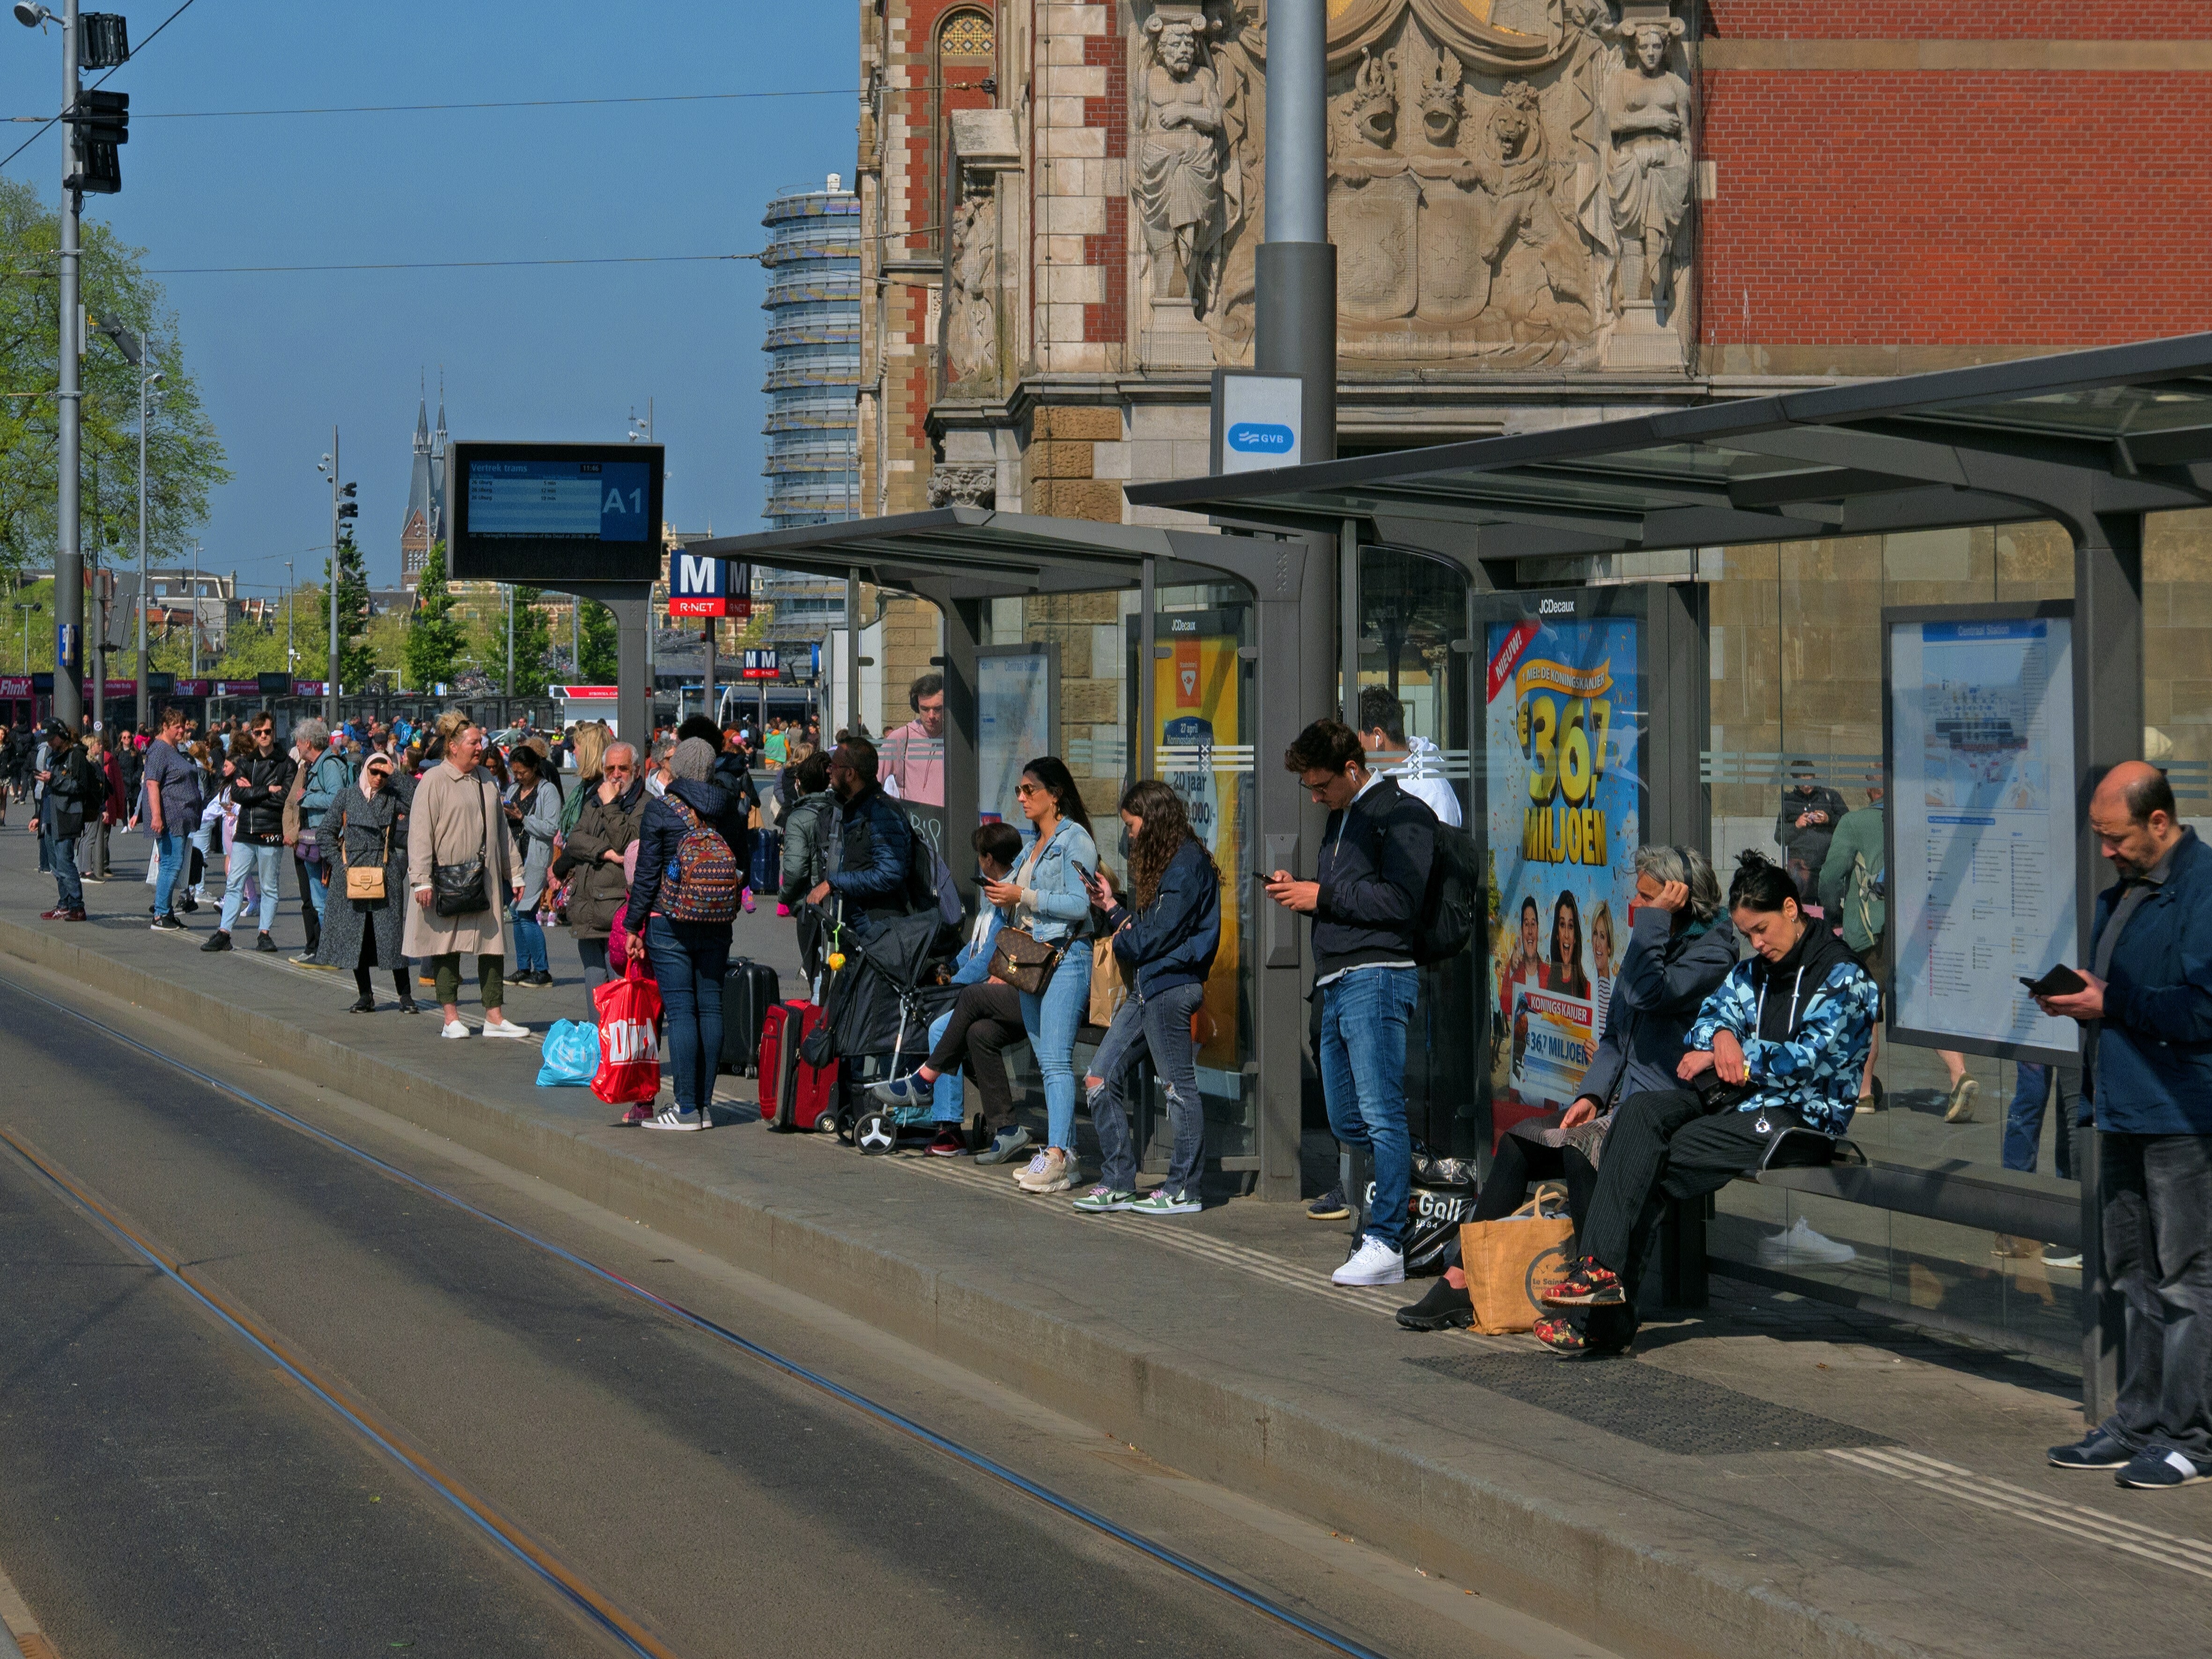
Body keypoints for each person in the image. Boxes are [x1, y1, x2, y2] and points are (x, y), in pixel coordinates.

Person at [1536, 852, 1879, 1357]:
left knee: (1643, 1160)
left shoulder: (1845, 979)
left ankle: (1602, 1319)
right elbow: (1707, 1022)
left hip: (1799, 1116)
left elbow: (1809, 1060)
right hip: (1735, 1099)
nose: (1757, 945)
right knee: (1639, 1114)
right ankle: (1600, 1275)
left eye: (1762, 930)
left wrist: (1739, 1055)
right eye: (1747, 935)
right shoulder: (1753, 971)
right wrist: (1720, 1033)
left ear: (1791, 909)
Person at [1397, 846, 1737, 1332]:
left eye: (1646, 896)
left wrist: (1653, 924)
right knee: (1518, 1145)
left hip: (1665, 1105)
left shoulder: (1713, 950)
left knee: (1581, 1152)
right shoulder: (1652, 939)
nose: (1636, 905)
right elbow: (1617, 1034)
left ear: (1677, 899)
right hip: (1616, 1102)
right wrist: (1590, 1094)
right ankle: (1458, 1280)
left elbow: (1648, 994)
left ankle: (1594, 1303)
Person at [2038, 763, 2212, 1489]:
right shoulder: (2129, 892)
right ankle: (2140, 1420)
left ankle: (2191, 1436)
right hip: (2119, 1106)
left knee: (2187, 1278)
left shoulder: (2202, 892)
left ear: (2160, 823)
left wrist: (2113, 1001)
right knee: (2133, 1274)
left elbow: (2203, 1009)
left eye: (2115, 836)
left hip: (2181, 1116)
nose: (2106, 850)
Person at [1263, 718, 1437, 1286]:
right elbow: (1350, 897)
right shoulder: (1341, 818)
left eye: (1321, 786)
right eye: (1307, 789)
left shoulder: (1402, 814)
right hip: (1337, 979)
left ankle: (1386, 1239)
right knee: (1344, 1116)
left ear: (1351, 769)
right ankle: (1413, 1181)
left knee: (1380, 1113)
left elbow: (1401, 901)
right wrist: (1307, 893)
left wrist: (1324, 893)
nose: (1315, 798)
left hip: (1379, 975)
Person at [1072, 779, 1223, 1215]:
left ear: (1152, 821)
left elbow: (1152, 938)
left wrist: (1122, 940)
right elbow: (1152, 932)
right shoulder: (1173, 863)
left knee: (1178, 1088)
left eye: (1132, 825)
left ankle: (1184, 1188)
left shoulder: (1183, 866)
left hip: (1169, 987)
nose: (1130, 834)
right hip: (1151, 986)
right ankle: (1119, 1181)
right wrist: (1113, 908)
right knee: (1099, 1079)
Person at [1816, 771, 1975, 1120]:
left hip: (1871, 933)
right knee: (1921, 1004)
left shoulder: (1855, 823)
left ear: (1871, 790)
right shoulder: (1919, 821)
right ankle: (1959, 1074)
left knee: (1867, 1010)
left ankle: (1864, 1092)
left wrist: (1832, 910)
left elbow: (1831, 876)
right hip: (1917, 928)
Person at [869, 821, 1025, 1156]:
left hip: (993, 992)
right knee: (966, 1034)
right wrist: (950, 966)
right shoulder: (993, 891)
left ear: (987, 858)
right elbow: (974, 948)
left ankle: (948, 1125)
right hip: (983, 992)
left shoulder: (1005, 894)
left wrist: (957, 981)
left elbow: (989, 954)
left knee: (941, 1028)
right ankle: (992, 1121)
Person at [980, 756, 1099, 1194]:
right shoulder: (1035, 841)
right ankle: (1061, 1154)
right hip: (1030, 960)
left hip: (1065, 957)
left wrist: (1023, 893)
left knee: (1055, 1061)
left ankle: (1059, 1156)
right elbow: (1018, 896)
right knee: (1046, 1061)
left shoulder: (1075, 840)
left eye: (1030, 790)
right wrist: (1002, 893)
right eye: (1019, 790)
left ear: (1056, 793)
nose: (1022, 798)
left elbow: (1079, 906)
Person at [622, 736, 741, 1131]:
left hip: (668, 920)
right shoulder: (728, 807)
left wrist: (633, 925)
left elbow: (646, 875)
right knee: (710, 1006)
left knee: (681, 1012)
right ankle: (704, 1107)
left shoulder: (660, 809)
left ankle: (685, 1108)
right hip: (717, 921)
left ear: (677, 768)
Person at [404, 711, 530, 1041]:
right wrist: (421, 879)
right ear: (453, 746)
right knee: (445, 946)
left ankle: (494, 1016)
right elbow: (419, 833)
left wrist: (514, 873)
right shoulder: (433, 781)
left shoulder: (487, 779)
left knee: (493, 945)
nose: (480, 748)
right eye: (474, 743)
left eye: (481, 743)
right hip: (446, 879)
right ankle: (451, 1018)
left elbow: (502, 832)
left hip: (485, 879)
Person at [313, 749, 417, 1013]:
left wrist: (397, 775)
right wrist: (340, 864)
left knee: (391, 937)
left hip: (385, 873)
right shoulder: (347, 796)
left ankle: (405, 997)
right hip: (351, 876)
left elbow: (418, 800)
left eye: (384, 773)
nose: (379, 778)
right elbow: (325, 832)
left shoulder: (392, 797)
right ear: (365, 770)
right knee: (355, 936)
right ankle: (365, 995)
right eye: (375, 771)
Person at [556, 739, 646, 1004]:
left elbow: (629, 843)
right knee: (594, 989)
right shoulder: (594, 800)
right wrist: (606, 853)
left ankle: (616, 1045)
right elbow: (575, 840)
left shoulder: (645, 804)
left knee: (619, 991)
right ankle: (598, 1043)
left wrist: (610, 806)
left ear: (637, 771)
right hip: (587, 911)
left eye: (623, 768)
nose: (616, 775)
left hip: (616, 914)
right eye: (610, 769)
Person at [200, 713, 295, 953]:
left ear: (274, 733)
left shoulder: (286, 763)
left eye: (267, 731)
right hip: (245, 831)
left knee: (269, 886)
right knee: (234, 883)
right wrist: (266, 789)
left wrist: (254, 792)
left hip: (270, 831)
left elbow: (283, 799)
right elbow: (236, 795)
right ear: (253, 734)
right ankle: (224, 932)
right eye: (258, 732)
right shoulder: (245, 762)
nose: (263, 736)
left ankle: (264, 934)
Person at [805, 737, 914, 944]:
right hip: (859, 929)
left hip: (880, 932)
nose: (829, 770)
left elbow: (889, 874)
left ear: (850, 774)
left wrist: (834, 883)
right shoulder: (855, 808)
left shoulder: (882, 813)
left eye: (834, 765)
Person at [1356, 685, 1461, 828]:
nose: (1353, 744)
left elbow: (1443, 849)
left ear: (1378, 736)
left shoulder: (1432, 791)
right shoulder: (1372, 781)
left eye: (1356, 735)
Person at [503, 743, 561, 989]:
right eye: (515, 772)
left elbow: (551, 827)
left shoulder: (547, 791)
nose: (518, 777)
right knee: (516, 914)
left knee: (525, 912)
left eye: (522, 772)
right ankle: (523, 967)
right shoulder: (514, 788)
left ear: (534, 767)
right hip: (514, 858)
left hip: (535, 857)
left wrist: (523, 818)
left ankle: (543, 970)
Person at [142, 705, 203, 932]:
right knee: (171, 864)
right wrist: (156, 816)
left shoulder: (173, 749)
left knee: (173, 863)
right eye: (177, 727)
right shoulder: (159, 750)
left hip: (180, 816)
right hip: (170, 817)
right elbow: (152, 784)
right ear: (165, 727)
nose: (181, 730)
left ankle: (166, 912)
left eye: (183, 726)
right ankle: (160, 914)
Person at [36, 723, 100, 922]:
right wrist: (37, 816)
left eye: (51, 739)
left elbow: (80, 786)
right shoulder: (52, 755)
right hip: (50, 814)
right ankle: (64, 904)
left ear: (62, 735)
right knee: (55, 864)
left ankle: (77, 906)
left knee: (65, 862)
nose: (49, 743)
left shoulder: (76, 755)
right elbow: (48, 790)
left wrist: (53, 779)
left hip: (67, 815)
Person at [777, 749, 835, 959]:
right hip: (839, 902)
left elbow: (795, 870)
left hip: (810, 905)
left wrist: (784, 895)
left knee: (815, 971)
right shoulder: (838, 811)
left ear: (799, 783)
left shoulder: (799, 818)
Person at [1775, 759, 1847, 899]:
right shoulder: (1789, 802)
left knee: (1829, 908)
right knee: (1803, 908)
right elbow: (1779, 837)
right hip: (1801, 869)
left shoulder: (1829, 796)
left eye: (1810, 780)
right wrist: (1796, 825)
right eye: (1802, 783)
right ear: (1795, 782)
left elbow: (1848, 823)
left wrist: (1829, 819)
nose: (1807, 786)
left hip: (1826, 864)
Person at [881, 672, 946, 807]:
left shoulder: (956, 739)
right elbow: (872, 782)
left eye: (938, 709)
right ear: (916, 707)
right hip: (913, 823)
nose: (931, 716)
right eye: (925, 709)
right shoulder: (901, 738)